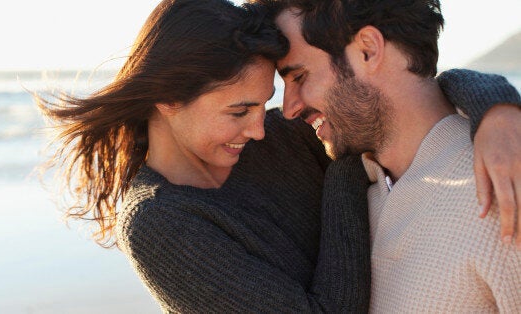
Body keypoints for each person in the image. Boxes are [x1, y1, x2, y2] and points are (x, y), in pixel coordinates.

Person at [37, 0, 520, 312]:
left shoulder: (498, 182)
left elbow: (420, 97)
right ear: (168, 99)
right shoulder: (163, 222)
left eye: (293, 80)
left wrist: (497, 105)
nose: (272, 120)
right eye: (240, 109)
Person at [264, 0, 521, 311]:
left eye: (299, 77)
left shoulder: (503, 183)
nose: (289, 108)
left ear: (368, 50)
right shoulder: (354, 195)